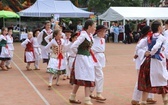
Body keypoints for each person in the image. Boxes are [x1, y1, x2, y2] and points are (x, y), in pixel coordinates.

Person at [137, 20, 168, 105]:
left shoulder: (148, 37)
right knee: (163, 79)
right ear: (159, 27)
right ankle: (165, 99)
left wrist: (145, 53)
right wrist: (152, 52)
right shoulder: (161, 37)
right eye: (162, 26)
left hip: (147, 62)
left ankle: (143, 101)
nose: (163, 27)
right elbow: (156, 47)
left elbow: (138, 46)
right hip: (157, 62)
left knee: (147, 81)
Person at [69, 19, 96, 105]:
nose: (95, 28)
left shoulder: (89, 35)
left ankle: (72, 96)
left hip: (87, 58)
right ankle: (87, 99)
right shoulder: (83, 35)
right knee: (87, 77)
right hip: (82, 59)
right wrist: (78, 54)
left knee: (81, 77)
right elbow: (73, 46)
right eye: (94, 26)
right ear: (89, 26)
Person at [131, 26, 156, 105]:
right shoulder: (143, 40)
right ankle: (135, 99)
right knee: (140, 81)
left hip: (146, 62)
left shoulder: (149, 39)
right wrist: (145, 53)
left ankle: (149, 97)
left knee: (150, 79)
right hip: (141, 62)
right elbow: (138, 49)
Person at [90, 25, 107, 102]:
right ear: (99, 32)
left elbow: (102, 49)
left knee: (95, 76)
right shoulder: (93, 39)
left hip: (100, 57)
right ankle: (99, 93)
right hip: (95, 58)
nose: (105, 33)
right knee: (100, 76)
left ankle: (90, 91)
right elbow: (92, 49)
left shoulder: (102, 40)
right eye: (104, 31)